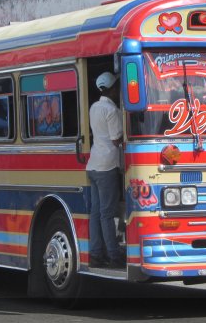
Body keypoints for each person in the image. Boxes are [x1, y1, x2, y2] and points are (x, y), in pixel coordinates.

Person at [87, 72, 125, 269]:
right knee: (107, 213)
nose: (119, 90)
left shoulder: (94, 107)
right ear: (111, 89)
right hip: (107, 165)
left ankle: (95, 253)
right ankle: (113, 253)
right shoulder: (113, 110)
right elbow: (116, 139)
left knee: (96, 213)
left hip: (93, 164)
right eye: (117, 87)